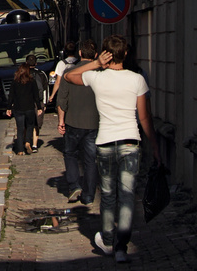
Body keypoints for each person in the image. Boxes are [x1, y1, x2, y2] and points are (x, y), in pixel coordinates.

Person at [64, 34, 160, 263]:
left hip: (105, 142)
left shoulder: (97, 78)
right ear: (125, 54)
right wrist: (155, 146)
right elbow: (145, 117)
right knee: (127, 196)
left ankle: (107, 239)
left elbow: (69, 76)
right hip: (130, 142)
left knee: (107, 195)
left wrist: (96, 64)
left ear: (106, 54)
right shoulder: (137, 79)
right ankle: (121, 248)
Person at [56, 38, 99, 205]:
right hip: (94, 123)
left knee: (70, 154)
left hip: (73, 121)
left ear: (80, 53)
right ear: (95, 54)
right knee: (90, 160)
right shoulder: (99, 74)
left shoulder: (70, 73)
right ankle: (88, 195)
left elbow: (62, 100)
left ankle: (74, 185)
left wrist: (61, 121)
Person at [6, 62, 41, 154]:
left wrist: (8, 108)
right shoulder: (32, 81)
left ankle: (20, 150)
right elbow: (36, 95)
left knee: (20, 128)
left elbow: (11, 96)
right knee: (30, 126)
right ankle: (28, 142)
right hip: (29, 107)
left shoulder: (15, 82)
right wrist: (39, 107)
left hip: (18, 108)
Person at [25, 52, 49, 150]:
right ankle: (35, 145)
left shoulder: (23, 74)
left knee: (26, 123)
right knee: (37, 125)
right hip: (38, 102)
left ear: (26, 63)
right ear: (36, 63)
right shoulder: (41, 74)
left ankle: (27, 141)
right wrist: (45, 103)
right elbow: (45, 89)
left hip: (26, 102)